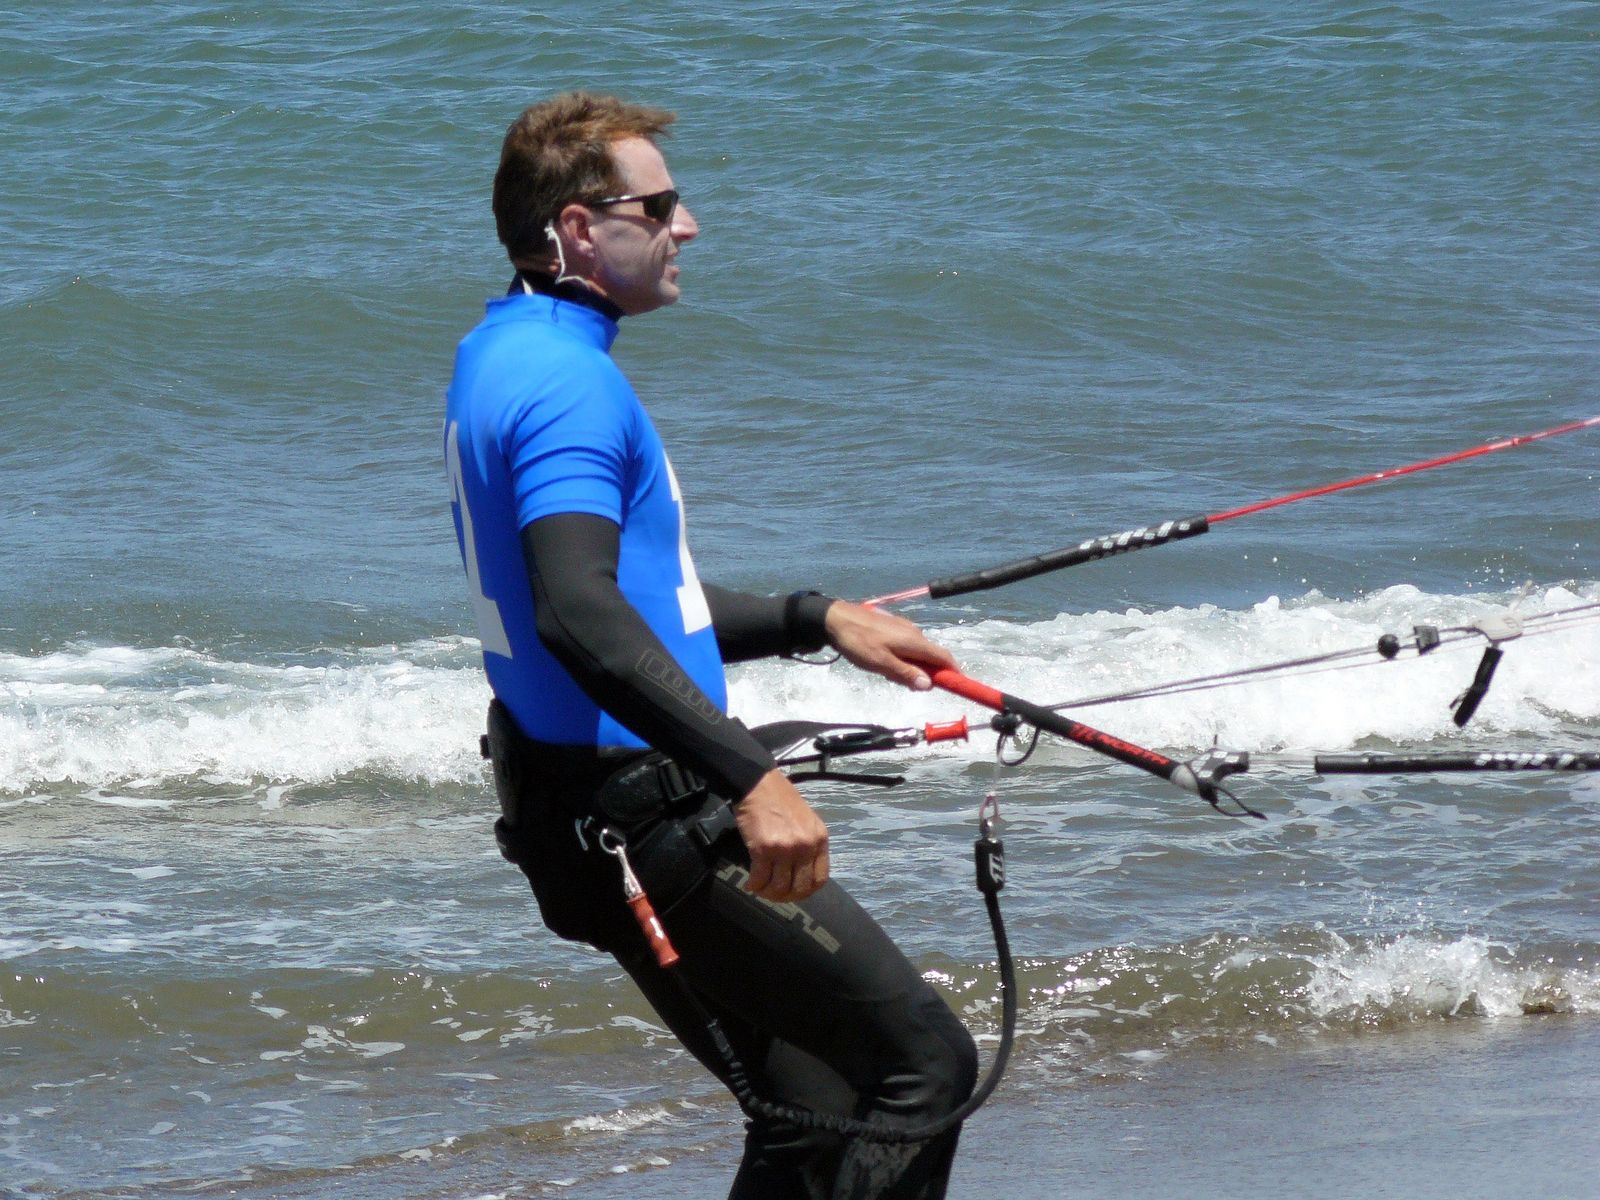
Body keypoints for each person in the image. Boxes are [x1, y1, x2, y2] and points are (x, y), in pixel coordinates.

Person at [444, 91, 978, 1199]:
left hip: (572, 806)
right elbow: (578, 616)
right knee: (924, 1067)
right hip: (647, 821)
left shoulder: (503, 350)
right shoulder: (566, 383)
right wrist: (753, 779)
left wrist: (814, 618)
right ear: (579, 228)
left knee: (808, 1116)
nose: (685, 225)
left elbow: (638, 600)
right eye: (659, 206)